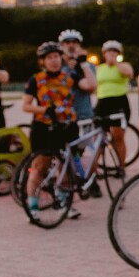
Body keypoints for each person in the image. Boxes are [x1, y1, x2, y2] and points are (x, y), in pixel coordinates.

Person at [21, 42, 95, 220]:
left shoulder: (70, 77)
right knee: (39, 167)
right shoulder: (36, 79)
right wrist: (45, 110)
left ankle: (64, 204)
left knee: (67, 166)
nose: (54, 61)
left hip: (67, 127)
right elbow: (25, 106)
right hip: (44, 127)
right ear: (43, 61)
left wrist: (84, 63)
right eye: (49, 58)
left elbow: (91, 86)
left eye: (56, 57)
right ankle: (32, 207)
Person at [94, 40, 134, 169]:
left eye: (114, 51)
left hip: (119, 101)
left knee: (118, 136)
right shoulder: (99, 68)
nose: (111, 54)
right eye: (109, 51)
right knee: (98, 136)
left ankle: (121, 166)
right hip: (103, 102)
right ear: (104, 53)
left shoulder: (123, 65)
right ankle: (94, 168)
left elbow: (129, 73)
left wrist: (116, 62)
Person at [58, 30, 96, 127]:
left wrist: (82, 64)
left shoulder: (88, 66)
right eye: (67, 42)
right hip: (63, 117)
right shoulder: (57, 67)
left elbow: (92, 88)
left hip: (84, 115)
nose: (71, 45)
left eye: (74, 42)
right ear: (61, 45)